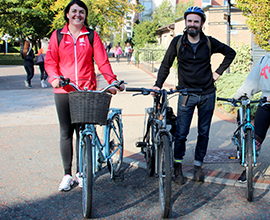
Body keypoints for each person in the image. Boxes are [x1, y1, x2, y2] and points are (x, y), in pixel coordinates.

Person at [45, 0, 125, 191]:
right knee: (66, 132)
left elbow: (102, 61)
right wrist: (54, 78)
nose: (78, 15)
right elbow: (50, 61)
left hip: (85, 90)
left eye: (81, 12)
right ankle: (67, 174)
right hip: (64, 90)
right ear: (67, 14)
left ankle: (82, 172)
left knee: (84, 133)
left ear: (85, 16)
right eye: (74, 11)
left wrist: (112, 81)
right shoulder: (58, 35)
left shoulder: (91, 36)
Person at [151, 6, 236, 184]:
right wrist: (157, 85)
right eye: (189, 21)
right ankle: (178, 167)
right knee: (181, 134)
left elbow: (230, 53)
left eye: (196, 21)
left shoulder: (209, 42)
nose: (192, 24)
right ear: (186, 23)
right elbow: (166, 65)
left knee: (203, 133)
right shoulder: (177, 42)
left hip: (207, 94)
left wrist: (218, 73)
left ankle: (198, 166)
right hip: (186, 94)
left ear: (202, 24)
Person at [233, 35, 270, 183]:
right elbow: (251, 81)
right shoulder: (264, 60)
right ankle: (248, 168)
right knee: (256, 138)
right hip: (265, 103)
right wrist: (238, 96)